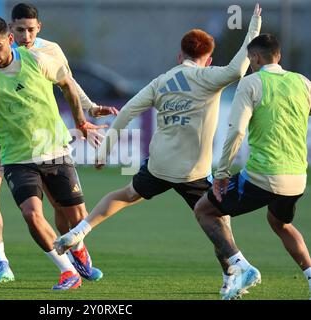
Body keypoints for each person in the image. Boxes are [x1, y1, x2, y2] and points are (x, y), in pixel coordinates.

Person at [54, 4, 262, 296]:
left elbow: (125, 113)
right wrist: (254, 25)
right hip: (193, 172)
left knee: (125, 195)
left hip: (159, 166)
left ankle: (79, 232)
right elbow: (240, 67)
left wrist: (103, 153)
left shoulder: (161, 82)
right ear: (208, 58)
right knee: (219, 220)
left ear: (180, 56)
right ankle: (231, 277)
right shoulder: (210, 77)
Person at [0, 3, 117, 284]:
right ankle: (7, 263)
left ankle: (77, 250)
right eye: (20, 29)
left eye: (30, 30)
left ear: (38, 28)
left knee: (66, 210)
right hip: (1, 138)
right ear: (11, 29)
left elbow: (68, 82)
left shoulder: (45, 54)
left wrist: (88, 111)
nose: (25, 35)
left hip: (47, 143)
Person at [193, 33, 311, 300]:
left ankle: (241, 267)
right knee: (279, 222)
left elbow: (236, 131)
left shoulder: (251, 83)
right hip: (297, 178)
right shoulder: (303, 82)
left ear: (255, 58)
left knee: (205, 210)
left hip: (264, 176)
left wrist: (222, 173)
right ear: (278, 56)